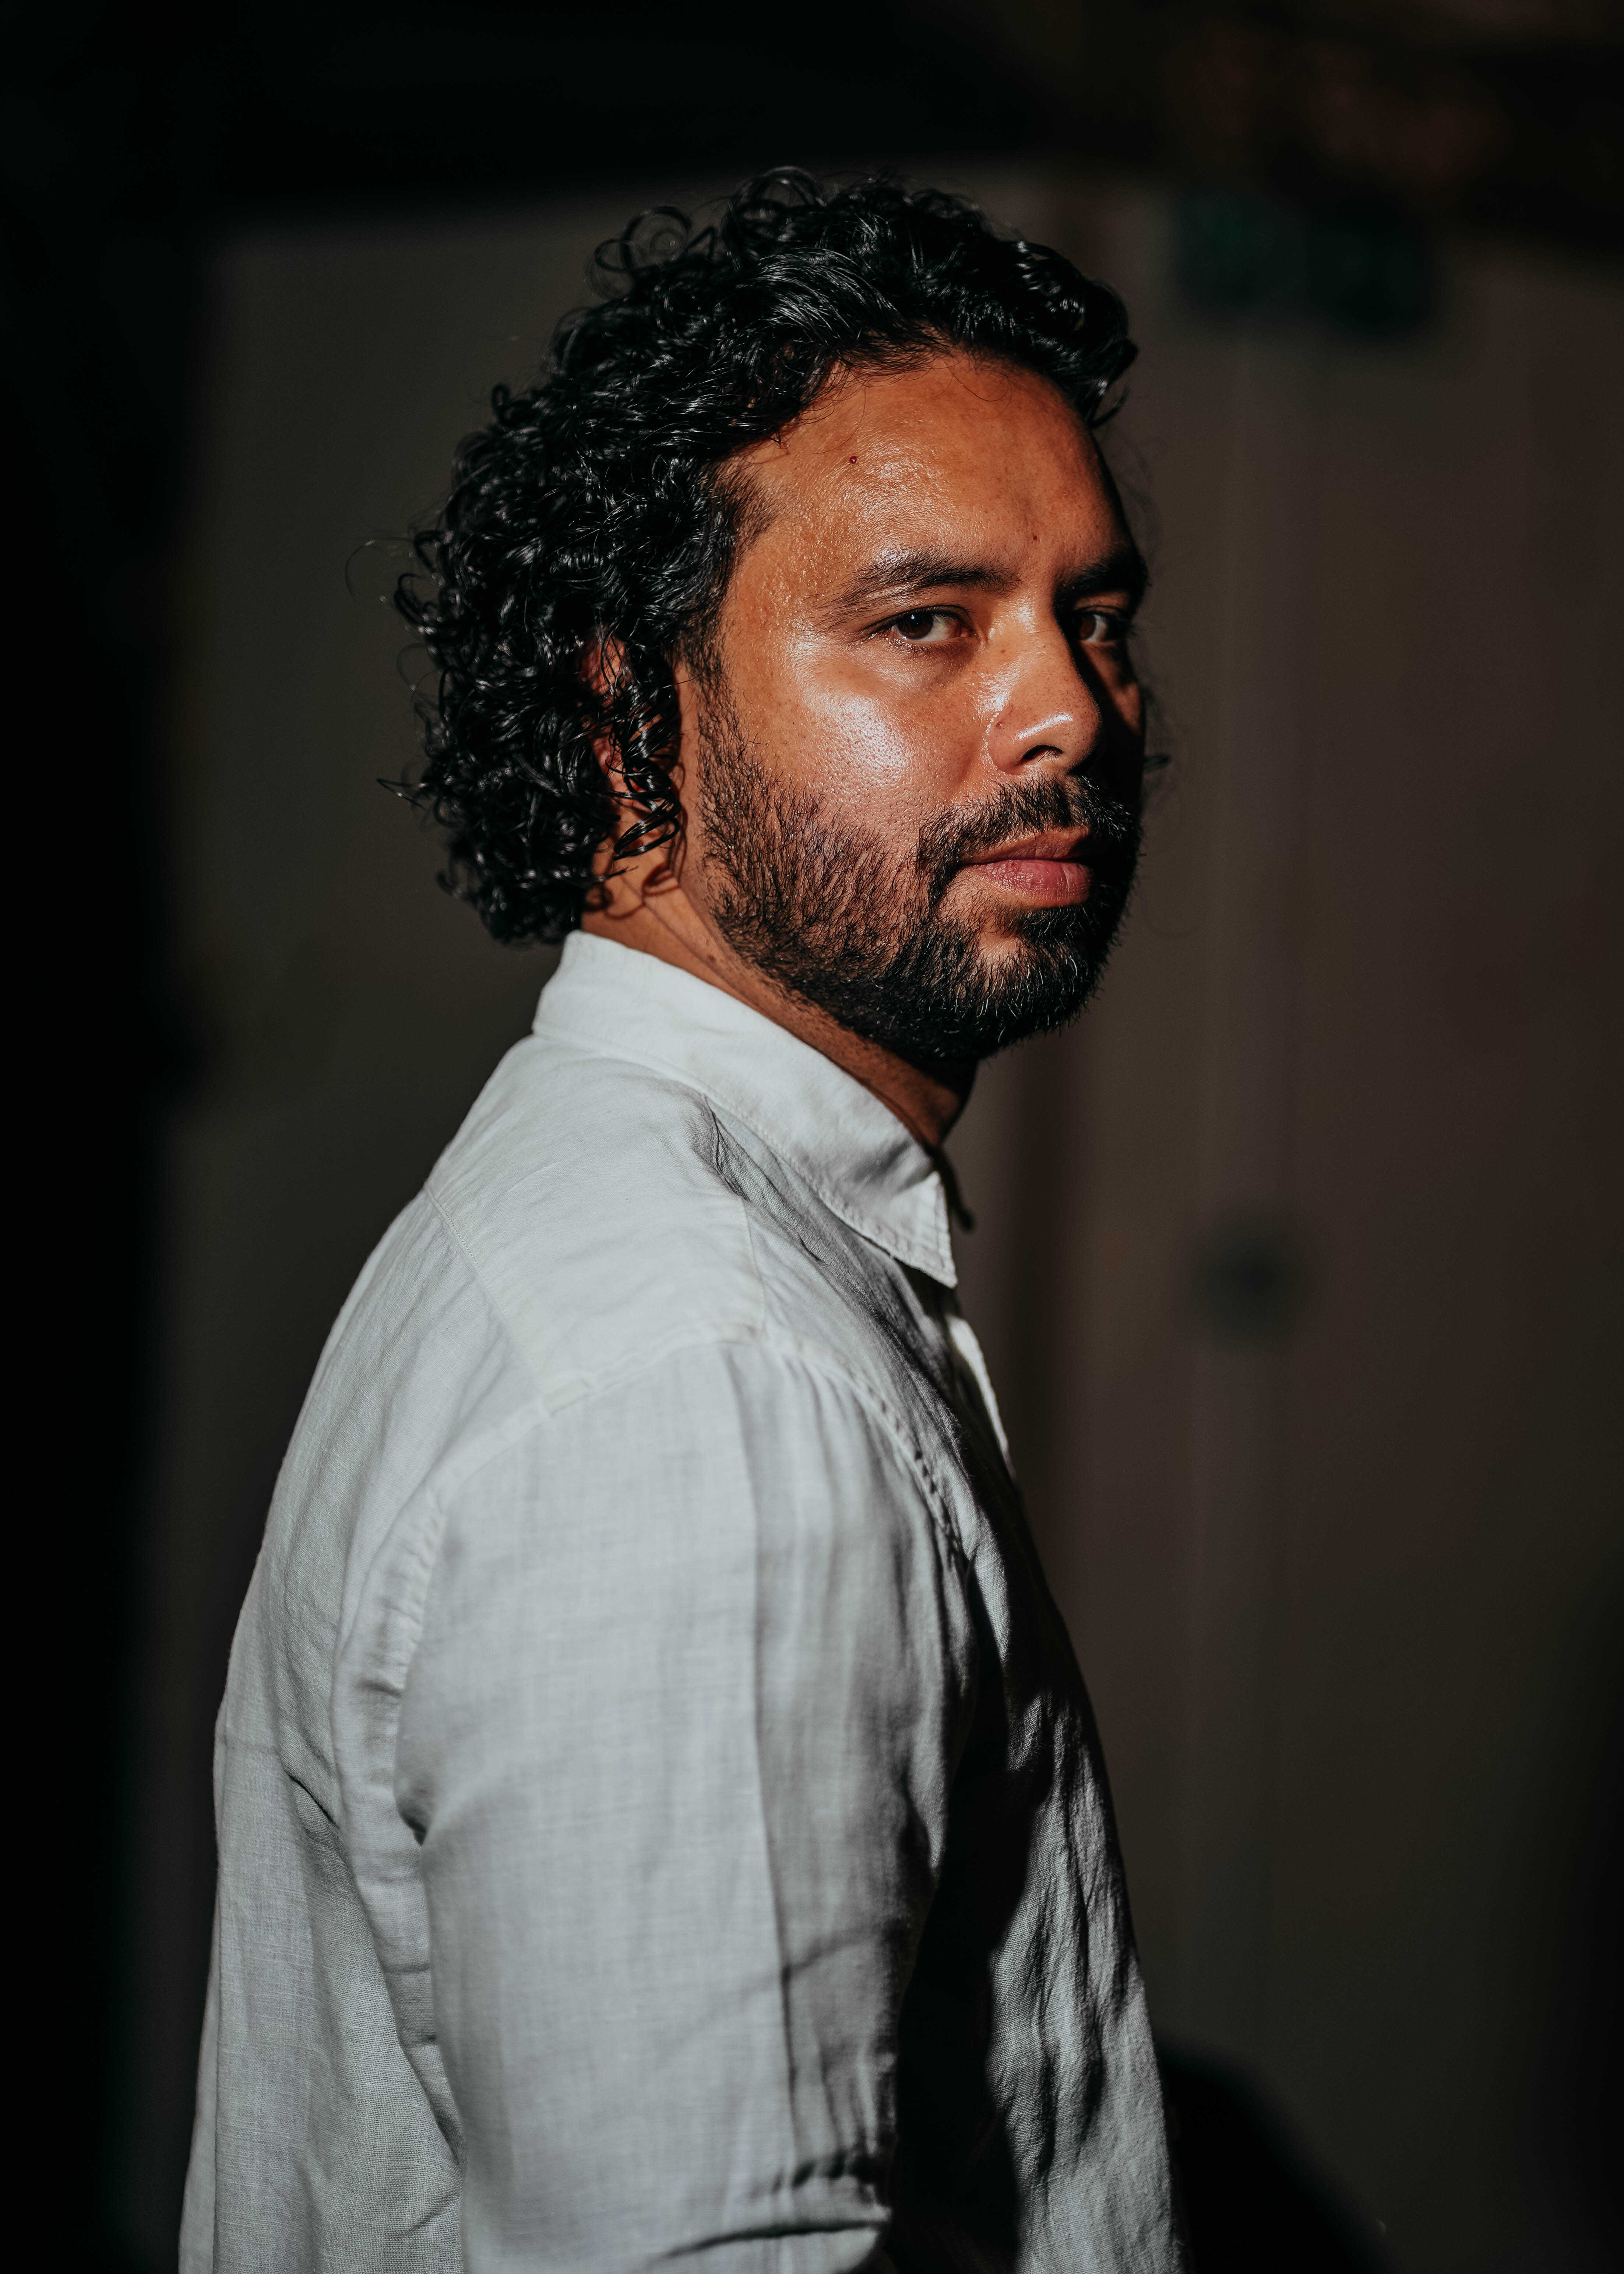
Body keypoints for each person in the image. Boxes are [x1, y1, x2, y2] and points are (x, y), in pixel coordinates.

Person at [182, 173, 1181, 2273]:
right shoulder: (692, 1392)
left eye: (1093, 614)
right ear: (634, 720)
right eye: (930, 621)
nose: (1071, 709)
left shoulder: (633, 1245)